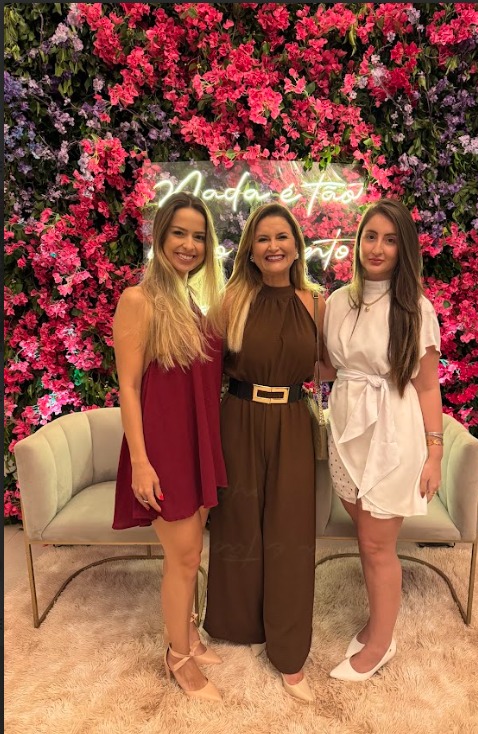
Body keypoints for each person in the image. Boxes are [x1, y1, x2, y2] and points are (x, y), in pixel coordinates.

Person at [204, 202, 327, 703]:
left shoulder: (316, 301)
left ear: (296, 245)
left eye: (281, 236)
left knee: (290, 532)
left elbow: (327, 365)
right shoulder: (231, 300)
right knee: (237, 523)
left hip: (294, 420)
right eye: (262, 238)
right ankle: (238, 626)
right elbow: (205, 371)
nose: (273, 246)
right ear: (250, 251)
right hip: (237, 417)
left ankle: (289, 652)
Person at [112, 192, 227, 701]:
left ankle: (189, 635)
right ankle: (177, 656)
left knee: (190, 553)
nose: (189, 244)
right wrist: (140, 462)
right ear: (159, 236)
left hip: (195, 445)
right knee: (183, 556)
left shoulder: (193, 300)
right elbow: (129, 386)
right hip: (162, 451)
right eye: (179, 233)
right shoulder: (139, 300)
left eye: (198, 236)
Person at [324, 198, 442, 682]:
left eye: (390, 240)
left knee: (377, 545)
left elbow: (428, 386)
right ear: (357, 243)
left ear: (403, 249)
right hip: (345, 431)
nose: (377, 248)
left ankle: (380, 644)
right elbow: (327, 366)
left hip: (393, 435)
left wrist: (435, 453)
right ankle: (379, 623)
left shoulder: (416, 308)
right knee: (366, 536)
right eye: (370, 236)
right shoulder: (338, 301)